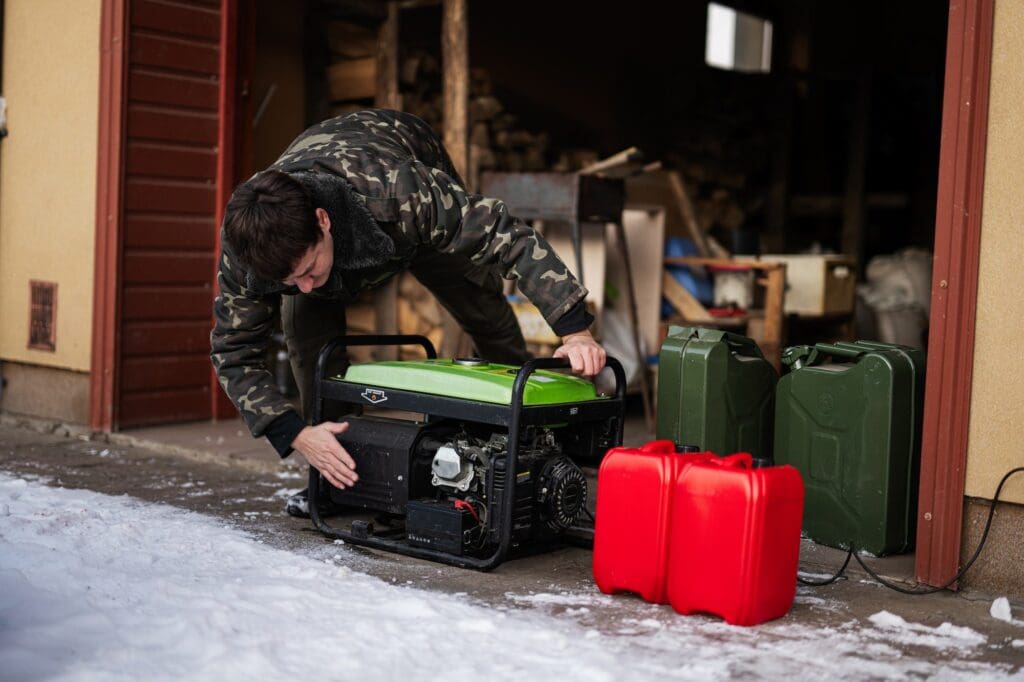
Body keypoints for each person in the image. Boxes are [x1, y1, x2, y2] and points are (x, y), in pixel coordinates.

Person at [210, 109, 606, 515]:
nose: (307, 286)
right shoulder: (248, 248)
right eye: (291, 280)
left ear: (322, 221)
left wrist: (574, 329)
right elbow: (233, 352)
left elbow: (504, 234)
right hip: (332, 216)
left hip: (401, 186)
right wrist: (295, 433)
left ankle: (528, 446)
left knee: (483, 308)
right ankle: (340, 474)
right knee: (308, 346)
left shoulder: (399, 194)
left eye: (309, 269)